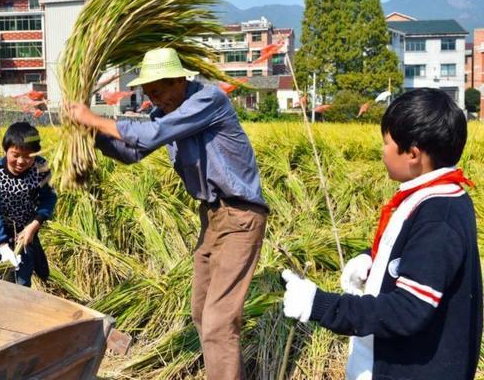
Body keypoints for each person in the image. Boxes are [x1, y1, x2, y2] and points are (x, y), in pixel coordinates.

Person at [70, 47, 269, 380]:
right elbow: (133, 152)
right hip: (212, 218)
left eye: (158, 90)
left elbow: (153, 134)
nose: (154, 98)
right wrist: (92, 136)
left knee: (219, 320)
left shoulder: (209, 101)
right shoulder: (164, 114)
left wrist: (93, 117)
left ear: (179, 79)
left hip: (241, 216)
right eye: (148, 93)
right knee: (202, 312)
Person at [282, 88, 482, 380]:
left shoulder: (439, 215)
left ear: (413, 154)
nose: (381, 151)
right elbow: (412, 252)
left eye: (386, 143)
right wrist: (372, 260)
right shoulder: (429, 197)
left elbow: (408, 309)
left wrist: (319, 304)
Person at [0, 122, 57, 287]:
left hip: (23, 236)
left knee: (21, 284)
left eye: (28, 156)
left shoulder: (41, 168)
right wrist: (3, 247)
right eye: (15, 154)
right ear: (5, 150)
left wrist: (34, 224)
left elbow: (50, 198)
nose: (21, 161)